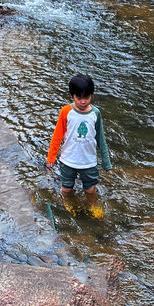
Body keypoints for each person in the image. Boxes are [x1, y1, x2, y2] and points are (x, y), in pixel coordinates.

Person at [46, 73, 112, 216]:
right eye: (79, 98)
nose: (83, 102)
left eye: (86, 97)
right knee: (66, 189)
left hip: (88, 161)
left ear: (92, 95)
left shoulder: (95, 113)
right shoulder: (66, 112)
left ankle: (93, 205)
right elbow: (57, 135)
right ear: (72, 96)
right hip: (68, 160)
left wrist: (106, 163)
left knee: (90, 189)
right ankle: (68, 203)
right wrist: (51, 157)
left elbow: (101, 138)